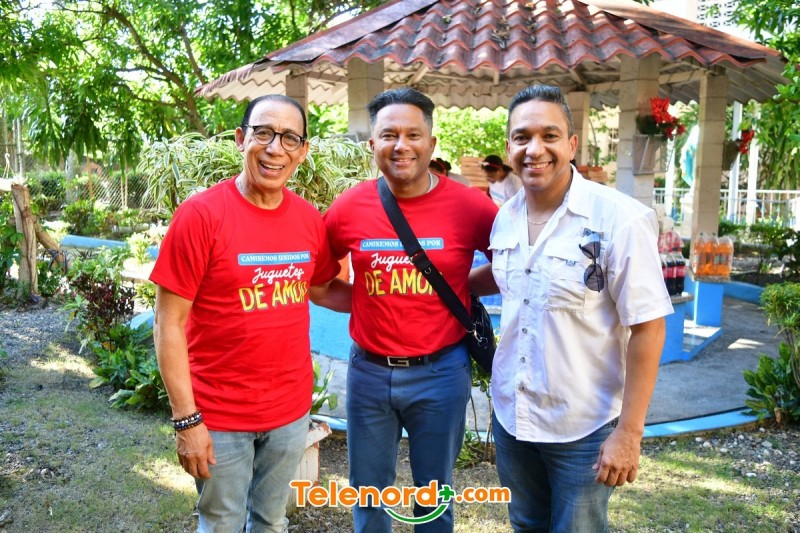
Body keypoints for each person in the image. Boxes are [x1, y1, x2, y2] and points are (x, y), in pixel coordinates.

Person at [470, 85, 672, 532]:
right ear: (509, 146)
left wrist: (629, 433)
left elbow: (649, 327)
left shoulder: (619, 219)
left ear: (572, 144)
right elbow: (511, 277)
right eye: (522, 137)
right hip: (513, 416)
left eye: (550, 135)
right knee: (525, 524)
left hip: (584, 425)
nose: (534, 149)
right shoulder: (505, 216)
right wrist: (437, 288)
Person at [150, 94, 348, 532]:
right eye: (263, 133)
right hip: (218, 416)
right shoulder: (200, 215)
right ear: (241, 139)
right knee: (221, 522)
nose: (275, 148)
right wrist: (187, 420)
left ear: (303, 151)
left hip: (290, 412)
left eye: (290, 138)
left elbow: (321, 288)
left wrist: (387, 297)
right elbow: (168, 324)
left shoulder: (308, 220)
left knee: (271, 521)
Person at [323, 87, 498, 532]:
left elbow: (512, 267)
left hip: (441, 372)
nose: (401, 146)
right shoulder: (349, 207)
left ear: (431, 143)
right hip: (369, 374)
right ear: (373, 145)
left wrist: (460, 287)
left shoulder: (471, 206)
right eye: (389, 135)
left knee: (434, 494)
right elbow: (318, 282)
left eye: (413, 135)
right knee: (367, 492)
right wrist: (367, 298)